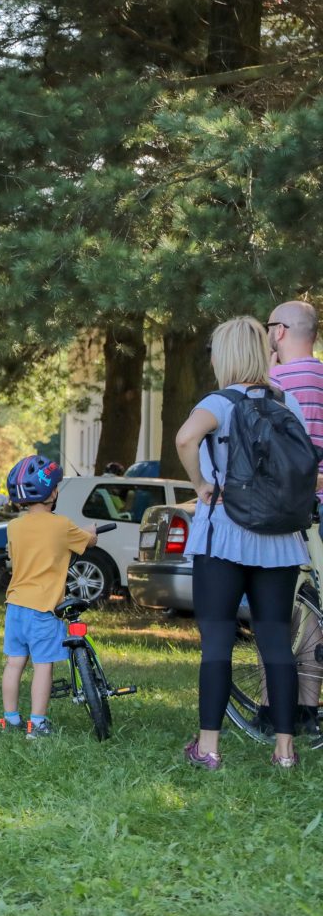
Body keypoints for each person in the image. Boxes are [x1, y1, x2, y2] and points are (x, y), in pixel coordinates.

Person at [176, 316, 312, 770]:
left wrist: (200, 484)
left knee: (216, 639)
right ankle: (285, 751)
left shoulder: (219, 402)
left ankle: (209, 747)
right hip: (280, 538)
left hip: (225, 535)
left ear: (225, 355)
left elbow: (186, 438)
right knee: (276, 640)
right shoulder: (287, 401)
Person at [0, 454, 98, 739]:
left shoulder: (13, 526)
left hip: (15, 606)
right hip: (43, 608)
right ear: (52, 491)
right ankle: (38, 724)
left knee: (14, 663)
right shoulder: (61, 525)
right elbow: (87, 541)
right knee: (43, 666)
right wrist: (90, 533)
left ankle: (10, 719)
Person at [268, 299, 323, 734]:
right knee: (313, 610)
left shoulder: (274, 381)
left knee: (280, 609)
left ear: (280, 331)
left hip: (286, 507)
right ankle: (308, 709)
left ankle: (274, 708)